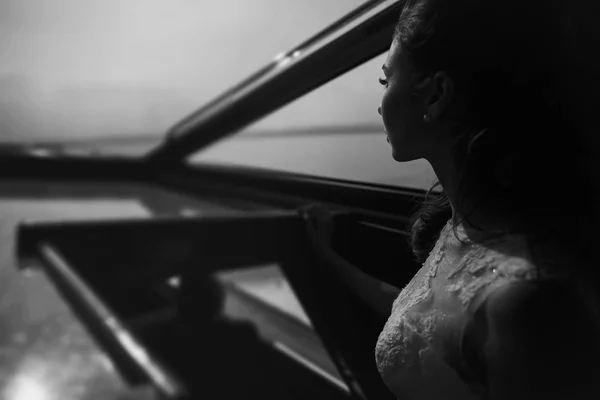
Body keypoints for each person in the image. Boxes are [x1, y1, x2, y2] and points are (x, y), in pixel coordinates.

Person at [302, 0, 600, 398]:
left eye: (385, 80)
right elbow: (423, 323)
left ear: (436, 94)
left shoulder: (525, 302)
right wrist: (326, 259)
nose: (379, 102)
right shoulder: (467, 223)